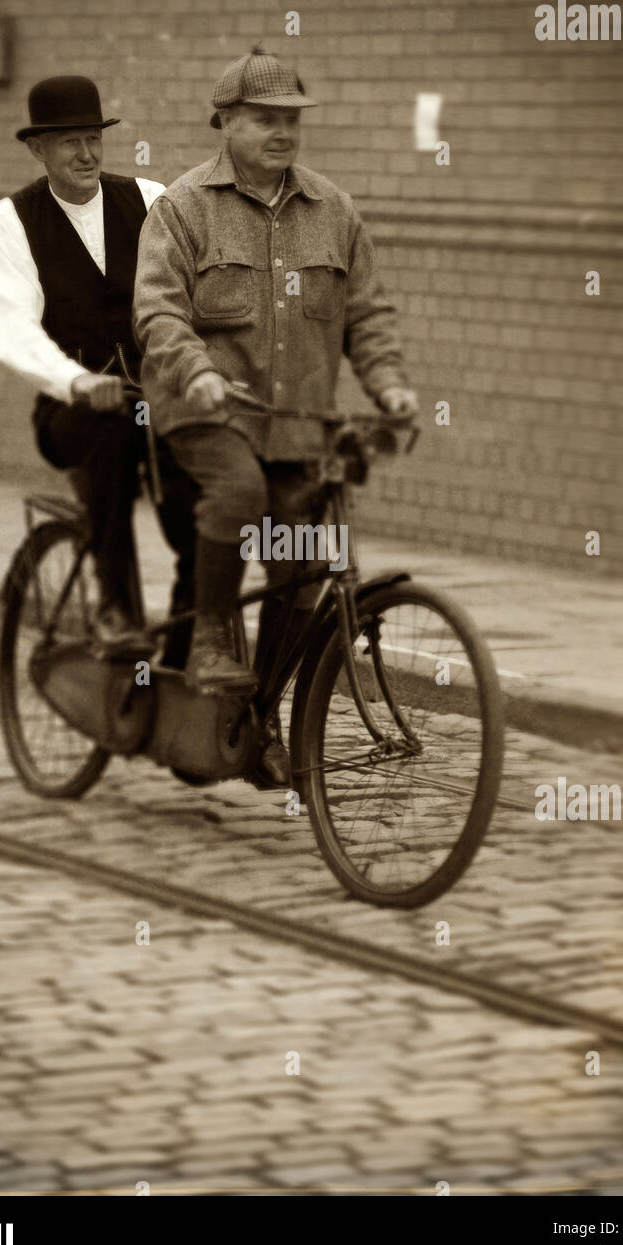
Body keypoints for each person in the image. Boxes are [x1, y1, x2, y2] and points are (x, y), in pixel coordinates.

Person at [133, 46, 418, 784]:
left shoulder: (333, 211)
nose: (281, 131)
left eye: (291, 119)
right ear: (223, 122)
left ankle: (254, 723)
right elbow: (157, 314)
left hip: (295, 425)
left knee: (299, 569)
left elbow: (368, 317)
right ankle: (209, 641)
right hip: (206, 415)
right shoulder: (182, 208)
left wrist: (388, 386)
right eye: (264, 119)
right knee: (239, 494)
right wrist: (194, 373)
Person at [0, 75, 196, 657]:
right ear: (38, 149)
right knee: (111, 432)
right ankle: (115, 606)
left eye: (93, 137)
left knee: (202, 492)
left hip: (158, 402)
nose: (86, 153)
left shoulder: (151, 201)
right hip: (69, 413)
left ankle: (188, 643)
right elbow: (14, 328)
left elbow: (193, 290)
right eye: (69, 141)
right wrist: (76, 382)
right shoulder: (14, 220)